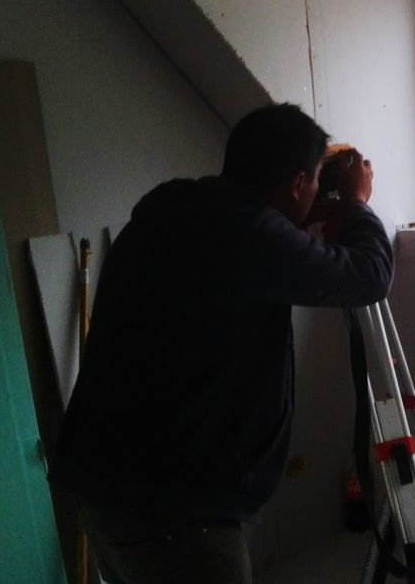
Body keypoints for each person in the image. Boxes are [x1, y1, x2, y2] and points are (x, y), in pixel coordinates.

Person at [49, 103, 393, 584]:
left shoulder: (177, 215)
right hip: (173, 511)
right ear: (296, 184)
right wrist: (356, 204)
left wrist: (297, 217)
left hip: (109, 490)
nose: (319, 191)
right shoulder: (247, 234)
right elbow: (370, 275)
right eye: (315, 180)